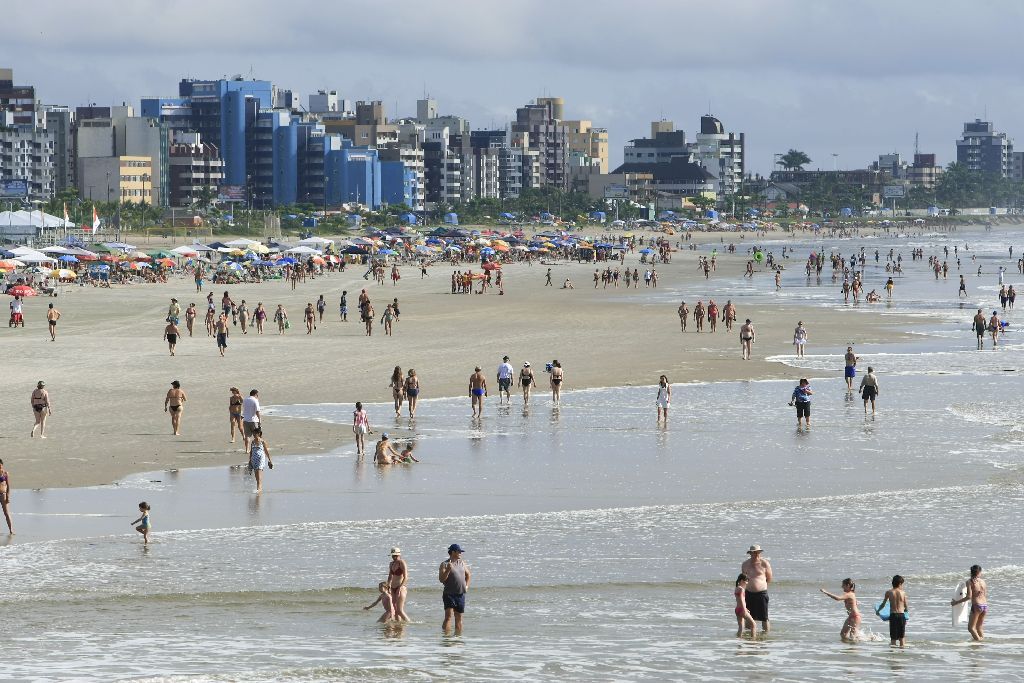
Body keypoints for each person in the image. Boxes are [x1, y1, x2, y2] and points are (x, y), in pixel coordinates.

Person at [740, 545, 773, 633]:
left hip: (761, 594)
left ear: (760, 553)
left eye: (757, 552)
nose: (756, 554)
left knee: (764, 617)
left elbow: (769, 578)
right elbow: (743, 580)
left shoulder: (764, 563)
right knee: (748, 616)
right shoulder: (745, 564)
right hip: (749, 593)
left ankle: (765, 634)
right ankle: (748, 634)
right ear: (750, 553)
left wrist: (761, 586)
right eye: (753, 552)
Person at [439, 543, 471, 633]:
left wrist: (467, 586)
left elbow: (468, 575)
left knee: (459, 618)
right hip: (449, 594)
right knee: (448, 616)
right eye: (459, 551)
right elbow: (441, 579)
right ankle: (446, 637)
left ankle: (458, 637)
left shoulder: (462, 563)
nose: (460, 553)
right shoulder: (444, 564)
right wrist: (448, 570)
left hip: (460, 594)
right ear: (453, 552)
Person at [952, 564, 987, 641]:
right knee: (979, 627)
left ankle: (979, 642)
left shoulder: (969, 582)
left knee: (971, 628)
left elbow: (969, 597)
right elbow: (984, 594)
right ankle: (982, 642)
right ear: (979, 572)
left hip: (977, 606)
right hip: (985, 606)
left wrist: (956, 602)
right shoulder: (983, 582)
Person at [876, 575, 909, 648]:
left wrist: (878, 611)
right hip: (901, 616)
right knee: (902, 637)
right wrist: (906, 615)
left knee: (893, 638)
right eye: (902, 584)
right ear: (900, 584)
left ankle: (892, 653)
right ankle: (902, 652)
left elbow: (883, 604)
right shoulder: (903, 593)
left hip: (893, 616)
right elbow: (906, 607)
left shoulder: (889, 592)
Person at [388, 547, 410, 622]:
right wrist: (388, 585)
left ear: (399, 555)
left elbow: (406, 577)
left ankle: (410, 623)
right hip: (392, 588)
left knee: (400, 610)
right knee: (395, 609)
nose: (394, 557)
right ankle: (399, 625)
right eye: (393, 555)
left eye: (395, 555)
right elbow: (390, 576)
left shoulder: (402, 563)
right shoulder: (391, 564)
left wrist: (400, 588)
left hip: (401, 587)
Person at [248, 427, 272, 493]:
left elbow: (266, 451)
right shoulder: (252, 442)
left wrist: (270, 460)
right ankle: (259, 488)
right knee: (256, 475)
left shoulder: (262, 441)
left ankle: (259, 489)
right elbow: (251, 452)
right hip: (254, 459)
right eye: (253, 433)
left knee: (259, 474)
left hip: (260, 459)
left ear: (258, 434)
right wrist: (250, 461)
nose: (253, 435)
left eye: (255, 433)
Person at [0, 459, 13, 533]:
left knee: (6, 513)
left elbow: (8, 486)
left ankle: (11, 530)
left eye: (0, 465)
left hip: (3, 494)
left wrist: (8, 496)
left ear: (2, 465)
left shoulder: (5, 473)